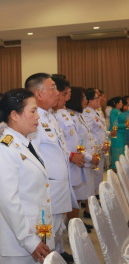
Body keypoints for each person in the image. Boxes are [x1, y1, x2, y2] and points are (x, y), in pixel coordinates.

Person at [0, 88, 53, 264]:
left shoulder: (26, 144)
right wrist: (29, 241)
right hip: (17, 246)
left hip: (37, 234)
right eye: (32, 111)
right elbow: (9, 201)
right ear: (14, 115)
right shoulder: (4, 150)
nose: (38, 116)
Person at [25, 73, 76, 263]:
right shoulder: (34, 120)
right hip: (48, 190)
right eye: (52, 87)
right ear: (38, 94)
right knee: (47, 237)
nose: (57, 92)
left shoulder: (49, 116)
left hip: (58, 188)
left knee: (56, 231)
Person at [51, 78, 85, 222]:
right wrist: (71, 156)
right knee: (63, 203)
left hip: (74, 160)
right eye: (66, 93)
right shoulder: (52, 116)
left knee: (74, 196)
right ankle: (70, 226)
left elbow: (74, 137)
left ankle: (74, 225)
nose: (69, 96)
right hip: (66, 162)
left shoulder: (64, 112)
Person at [65, 87, 98, 230]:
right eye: (83, 97)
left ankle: (78, 221)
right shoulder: (71, 116)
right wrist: (89, 157)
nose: (86, 100)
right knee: (76, 195)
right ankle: (74, 225)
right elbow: (77, 144)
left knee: (82, 193)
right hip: (80, 161)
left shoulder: (79, 115)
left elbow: (88, 136)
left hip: (85, 160)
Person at [83, 88, 109, 195]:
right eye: (96, 98)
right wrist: (99, 145)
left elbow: (101, 131)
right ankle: (92, 199)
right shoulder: (87, 113)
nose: (99, 100)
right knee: (94, 176)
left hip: (100, 150)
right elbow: (87, 134)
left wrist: (105, 144)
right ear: (89, 100)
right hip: (94, 151)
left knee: (98, 175)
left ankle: (97, 195)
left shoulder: (95, 112)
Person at [108, 96, 125, 168]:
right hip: (116, 135)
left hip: (121, 134)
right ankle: (116, 170)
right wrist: (126, 125)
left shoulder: (119, 111)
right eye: (120, 102)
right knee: (117, 153)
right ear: (116, 103)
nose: (122, 104)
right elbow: (115, 123)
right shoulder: (114, 111)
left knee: (121, 152)